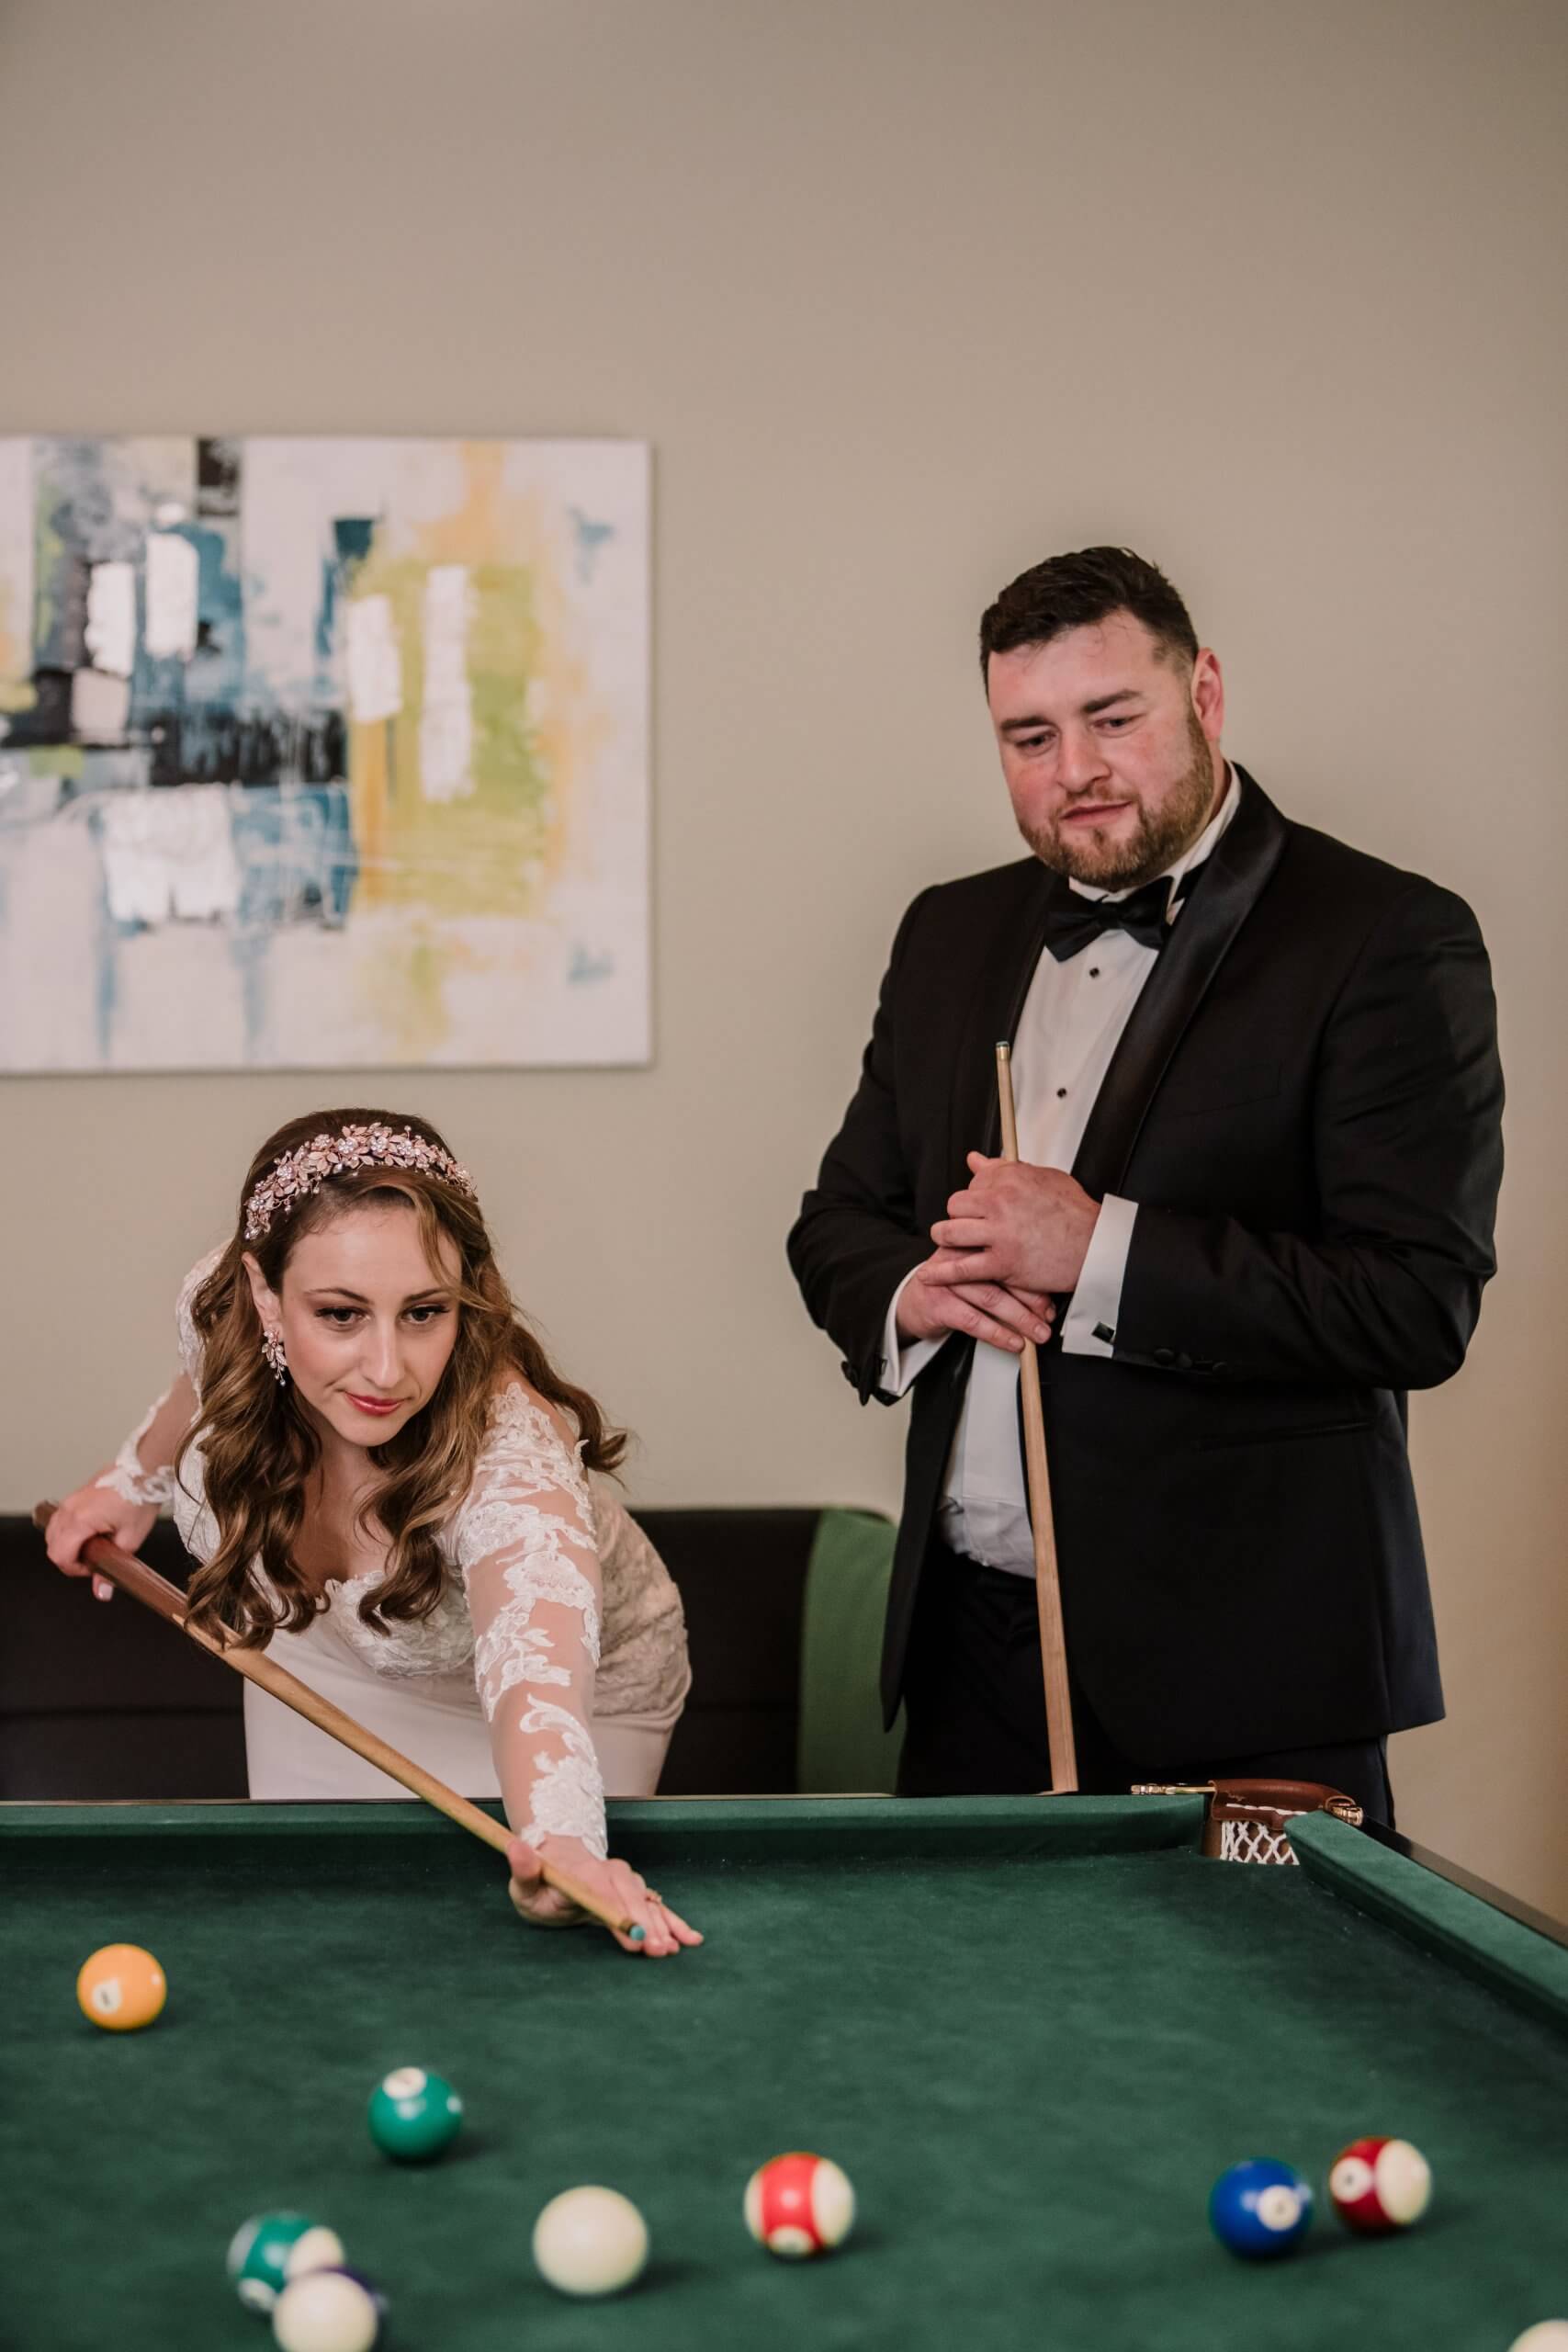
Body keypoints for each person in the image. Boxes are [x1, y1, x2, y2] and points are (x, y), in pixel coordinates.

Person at [787, 546, 1504, 1825]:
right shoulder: (945, 932)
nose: (1075, 771)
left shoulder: (1383, 935)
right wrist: (916, 1291)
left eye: (1111, 718)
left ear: (1203, 693)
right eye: (1029, 735)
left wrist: (1097, 1249)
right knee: (975, 2028)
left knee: (1264, 2033)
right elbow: (837, 1221)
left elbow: (1414, 1302)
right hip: (969, 1659)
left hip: (1250, 1669)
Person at [45, 1108, 697, 1957]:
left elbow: (533, 1674)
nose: (388, 1370)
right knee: (312, 1931)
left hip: (573, 1694)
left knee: (499, 1963)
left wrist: (563, 1840)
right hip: (320, 1656)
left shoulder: (511, 1457)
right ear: (263, 1296)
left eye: (424, 1312)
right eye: (342, 1315)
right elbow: (207, 1377)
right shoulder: (226, 1308)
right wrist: (131, 1482)